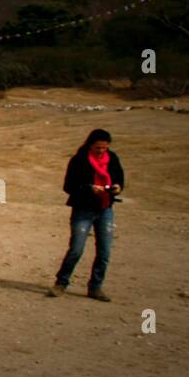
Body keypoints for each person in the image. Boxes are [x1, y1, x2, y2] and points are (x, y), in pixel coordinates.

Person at [49, 128, 124, 301]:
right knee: (76, 249)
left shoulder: (113, 159)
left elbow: (119, 179)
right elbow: (68, 186)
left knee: (104, 252)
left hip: (105, 209)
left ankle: (95, 287)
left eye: (104, 148)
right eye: (98, 147)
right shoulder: (79, 160)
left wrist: (118, 187)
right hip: (83, 209)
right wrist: (89, 188)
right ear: (90, 145)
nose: (101, 151)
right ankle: (61, 283)